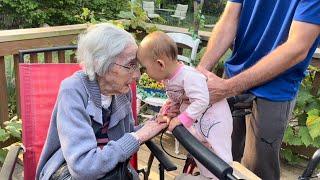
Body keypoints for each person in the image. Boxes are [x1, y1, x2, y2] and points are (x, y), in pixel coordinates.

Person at [197, 1, 320, 179]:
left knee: (256, 172)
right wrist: (202, 71)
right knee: (216, 158)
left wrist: (228, 87)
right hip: (232, 78)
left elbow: (297, 47)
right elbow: (231, 18)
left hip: (274, 90)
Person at [36, 23, 168, 180]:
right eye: (130, 65)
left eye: (138, 65)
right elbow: (84, 167)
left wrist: (155, 123)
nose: (138, 76)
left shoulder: (122, 91)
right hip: (69, 172)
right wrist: (138, 136)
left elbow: (127, 135)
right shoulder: (73, 90)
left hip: (111, 172)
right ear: (101, 64)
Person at [137, 31, 233, 179]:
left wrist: (181, 119)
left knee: (218, 156)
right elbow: (177, 97)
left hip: (215, 119)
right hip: (199, 119)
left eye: (144, 68)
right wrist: (169, 111)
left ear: (160, 64)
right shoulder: (169, 77)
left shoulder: (189, 76)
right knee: (201, 153)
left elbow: (202, 100)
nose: (143, 73)